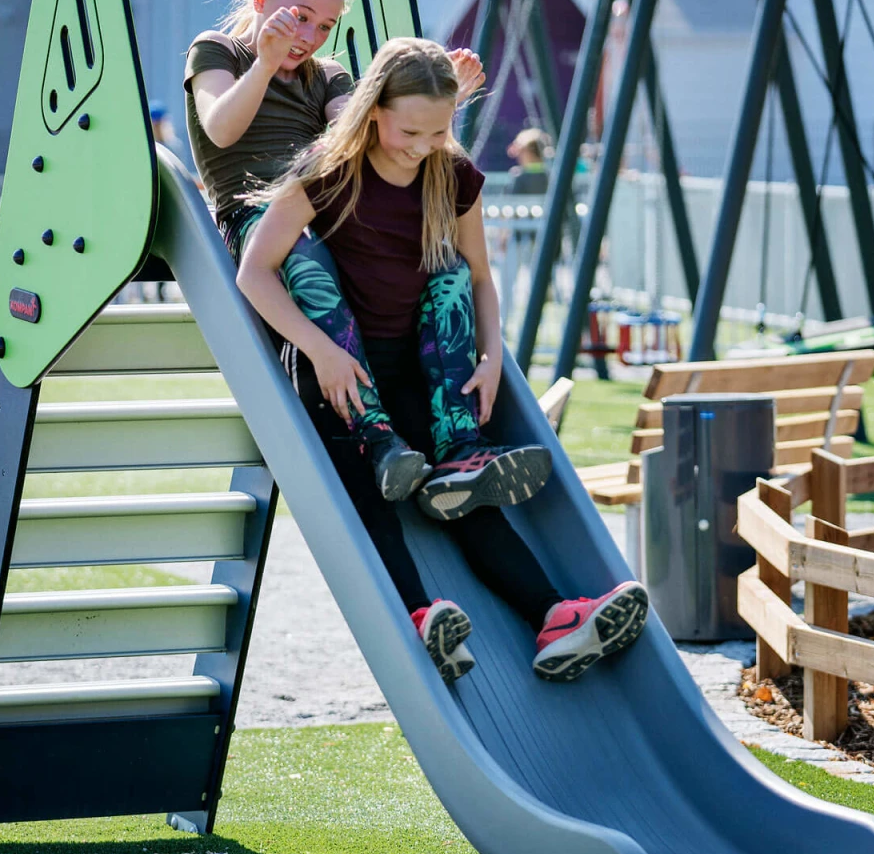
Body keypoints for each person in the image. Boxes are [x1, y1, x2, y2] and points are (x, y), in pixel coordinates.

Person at [238, 37, 647, 684]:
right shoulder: (326, 170)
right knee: (370, 492)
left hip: (417, 372)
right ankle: (414, 615)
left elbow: (481, 278)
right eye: (411, 130)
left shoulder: (450, 174)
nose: (423, 145)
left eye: (439, 130)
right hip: (341, 374)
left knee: (463, 492)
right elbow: (253, 273)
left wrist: (490, 357)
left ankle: (555, 616)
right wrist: (320, 353)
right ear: (373, 111)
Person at [185, 0, 522, 510]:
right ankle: (377, 436)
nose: (310, 38)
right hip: (259, 213)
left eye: (325, 26)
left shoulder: (329, 76)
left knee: (436, 269)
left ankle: (458, 436)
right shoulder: (218, 52)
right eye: (300, 18)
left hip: (323, 207)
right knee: (307, 257)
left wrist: (441, 97)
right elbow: (220, 128)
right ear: (265, 0)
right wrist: (265, 64)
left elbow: (362, 136)